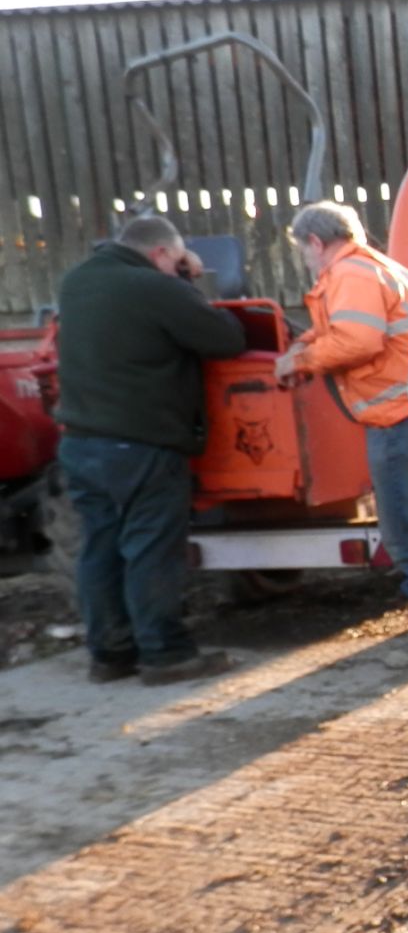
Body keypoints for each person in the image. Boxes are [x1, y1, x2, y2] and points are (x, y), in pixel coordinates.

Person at [54, 216, 246, 685]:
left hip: (81, 442)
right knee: (151, 551)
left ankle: (110, 656)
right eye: (178, 259)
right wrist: (186, 280)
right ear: (162, 254)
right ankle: (166, 656)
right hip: (141, 445)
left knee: (99, 550)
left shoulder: (77, 281)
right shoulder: (158, 288)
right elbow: (225, 339)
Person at [276, 203, 408, 603]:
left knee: (404, 532)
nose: (306, 261)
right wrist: (301, 347)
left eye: (303, 252)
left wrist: (301, 361)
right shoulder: (369, 268)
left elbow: (357, 341)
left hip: (397, 418)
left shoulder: (347, 274)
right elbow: (338, 329)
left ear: (315, 242)